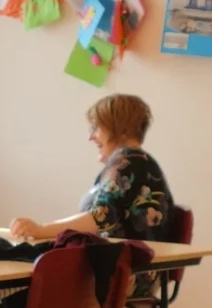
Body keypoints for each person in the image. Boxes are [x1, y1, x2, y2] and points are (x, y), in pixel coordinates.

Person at [12, 92, 174, 249]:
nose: (91, 137)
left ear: (121, 129)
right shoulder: (135, 161)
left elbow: (100, 217)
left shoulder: (128, 159)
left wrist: (40, 230)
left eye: (96, 128)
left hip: (125, 272)